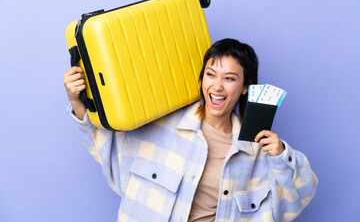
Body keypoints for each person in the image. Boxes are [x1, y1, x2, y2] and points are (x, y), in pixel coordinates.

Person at [64, 38, 318, 222]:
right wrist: (77, 100)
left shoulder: (257, 150)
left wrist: (282, 154)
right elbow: (105, 143)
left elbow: (297, 197)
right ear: (202, 78)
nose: (217, 86)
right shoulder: (161, 123)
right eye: (211, 74)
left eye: (229, 78)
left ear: (244, 87)